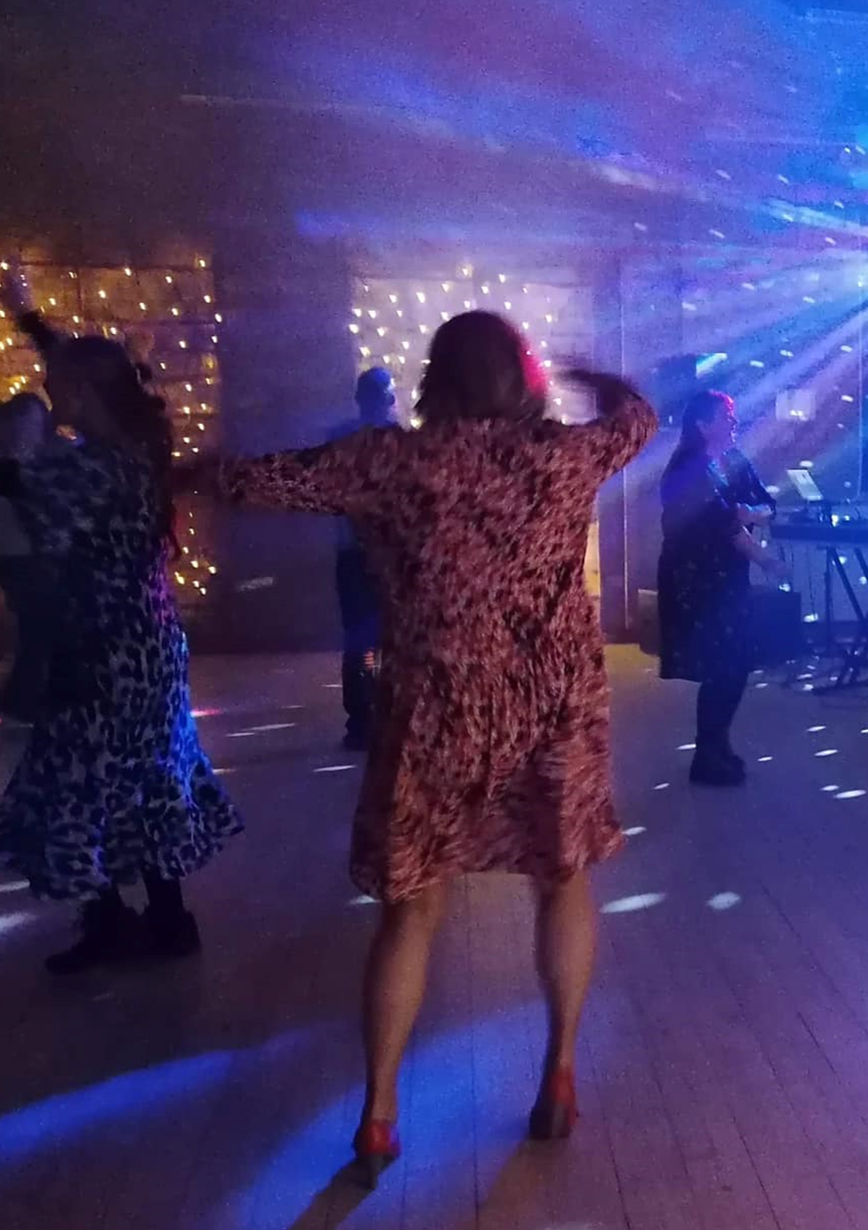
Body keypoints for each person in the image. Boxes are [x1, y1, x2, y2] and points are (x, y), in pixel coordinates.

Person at [195, 312, 656, 1184]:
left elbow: (258, 480)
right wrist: (596, 377)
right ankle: (559, 1074)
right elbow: (638, 419)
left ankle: (377, 1114)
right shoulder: (567, 456)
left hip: (432, 711)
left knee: (409, 911)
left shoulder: (390, 462)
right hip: (550, 711)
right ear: (523, 378)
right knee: (561, 881)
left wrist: (185, 469)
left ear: (432, 379)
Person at [0, 278, 239, 973]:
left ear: (84, 393)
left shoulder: (98, 466)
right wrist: (27, 317)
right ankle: (164, 920)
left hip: (108, 649)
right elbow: (88, 370)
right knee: (138, 780)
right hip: (148, 642)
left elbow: (24, 480)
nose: (49, 392)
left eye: (59, 386)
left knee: (80, 782)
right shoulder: (138, 442)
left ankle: (114, 922)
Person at [657, 390, 781, 787]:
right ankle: (707, 755)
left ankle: (718, 744)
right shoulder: (688, 467)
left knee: (735, 662)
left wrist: (752, 513)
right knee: (721, 663)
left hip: (728, 577)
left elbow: (767, 504)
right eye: (726, 416)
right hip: (696, 580)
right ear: (702, 424)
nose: (734, 422)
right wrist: (764, 557)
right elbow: (722, 525)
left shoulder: (735, 460)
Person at [332, 368, 399, 749]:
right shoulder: (399, 442)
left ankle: (361, 720)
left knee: (360, 640)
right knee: (386, 638)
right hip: (386, 554)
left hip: (354, 555)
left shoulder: (341, 440)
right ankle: (381, 716)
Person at [0, 391, 61, 722]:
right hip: (21, 557)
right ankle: (21, 699)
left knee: (36, 628)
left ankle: (19, 697)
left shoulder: (15, 463)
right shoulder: (17, 466)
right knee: (38, 628)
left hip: (12, 556)